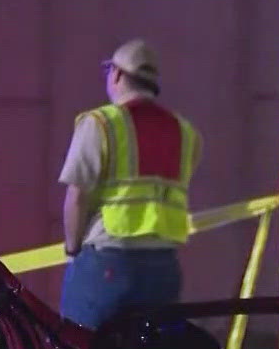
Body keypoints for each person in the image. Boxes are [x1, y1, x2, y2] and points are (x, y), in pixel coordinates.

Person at [57, 39, 201, 330]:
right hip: (164, 268)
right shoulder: (185, 132)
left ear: (118, 75)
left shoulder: (100, 124)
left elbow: (77, 197)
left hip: (109, 263)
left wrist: (73, 251)